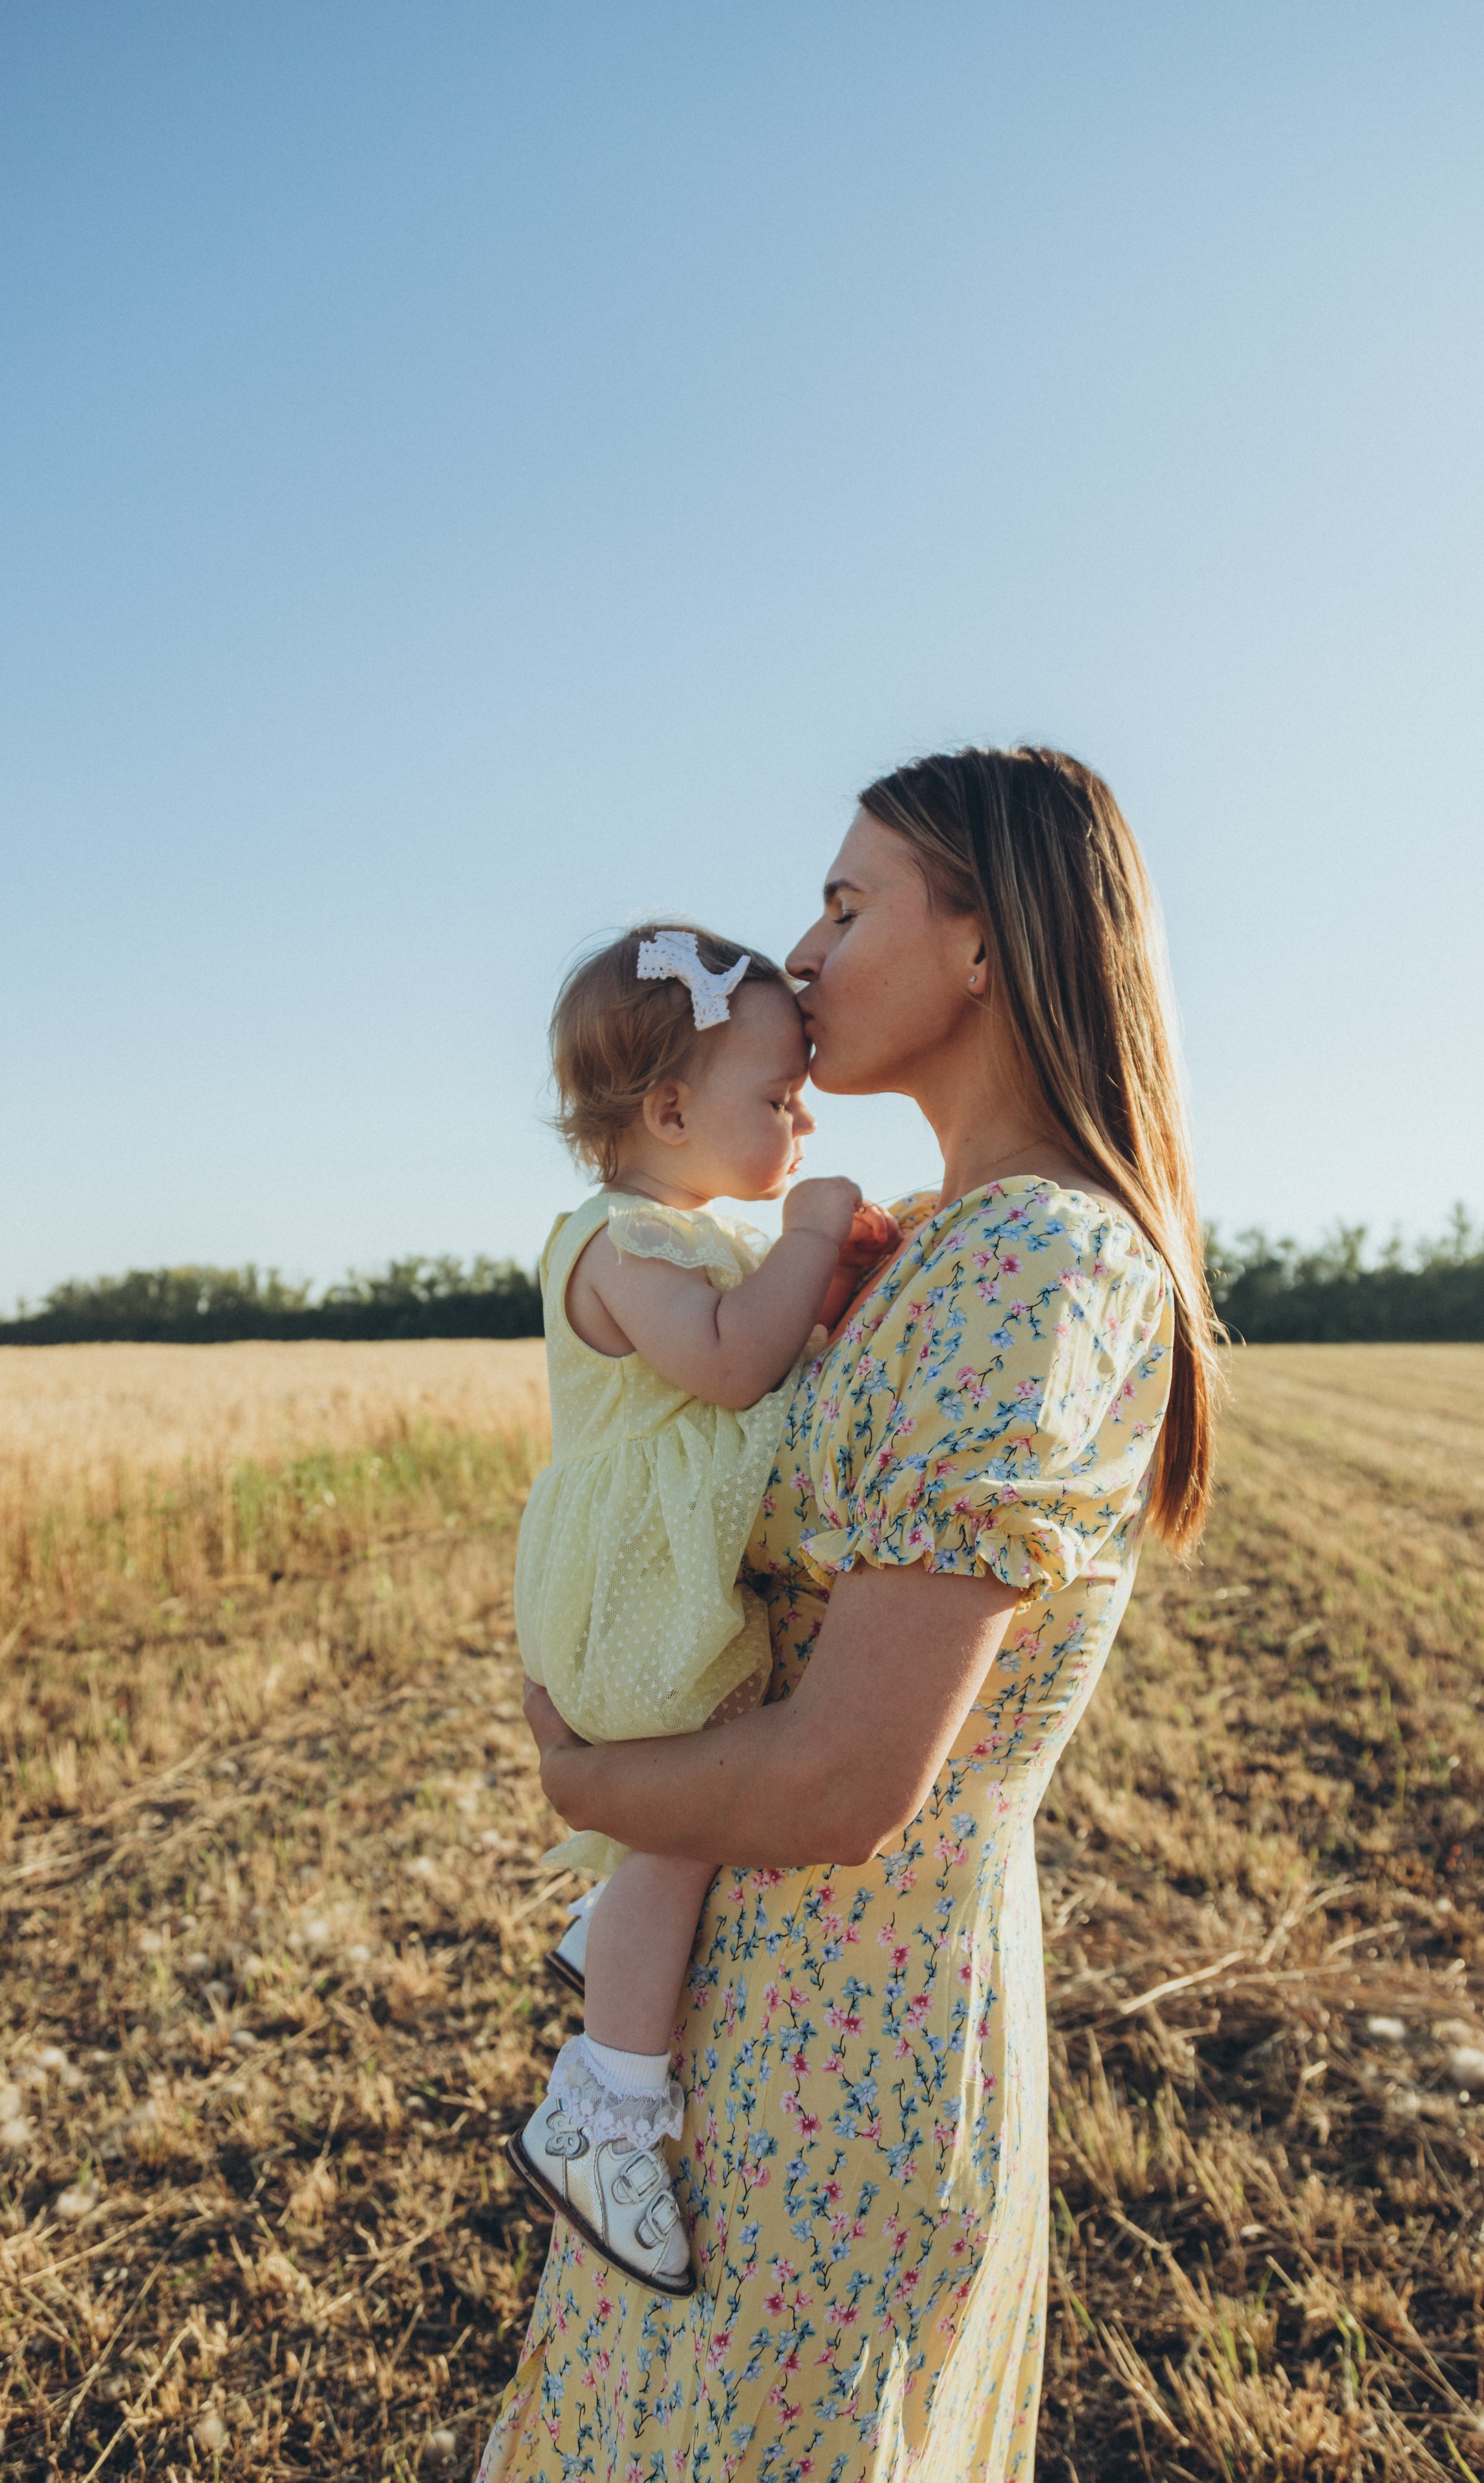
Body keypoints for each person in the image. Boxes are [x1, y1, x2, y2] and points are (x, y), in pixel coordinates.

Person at [480, 746, 1220, 2483]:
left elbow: (844, 1782)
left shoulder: (1037, 1258)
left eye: (843, 904)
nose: (798, 961)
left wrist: (589, 1789)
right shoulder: (953, 1242)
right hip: (755, 2003)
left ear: (983, 940)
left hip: (855, 2019)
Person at [508, 924, 897, 2291]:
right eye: (774, 1101)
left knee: (675, 1825)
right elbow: (735, 1371)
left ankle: (609, 1933)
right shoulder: (621, 1244)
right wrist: (802, 1241)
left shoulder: (681, 1233)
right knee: (678, 1826)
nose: (798, 1123)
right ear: (667, 1111)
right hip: (625, 1587)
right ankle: (600, 2112)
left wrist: (821, 1270)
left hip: (653, 1575)